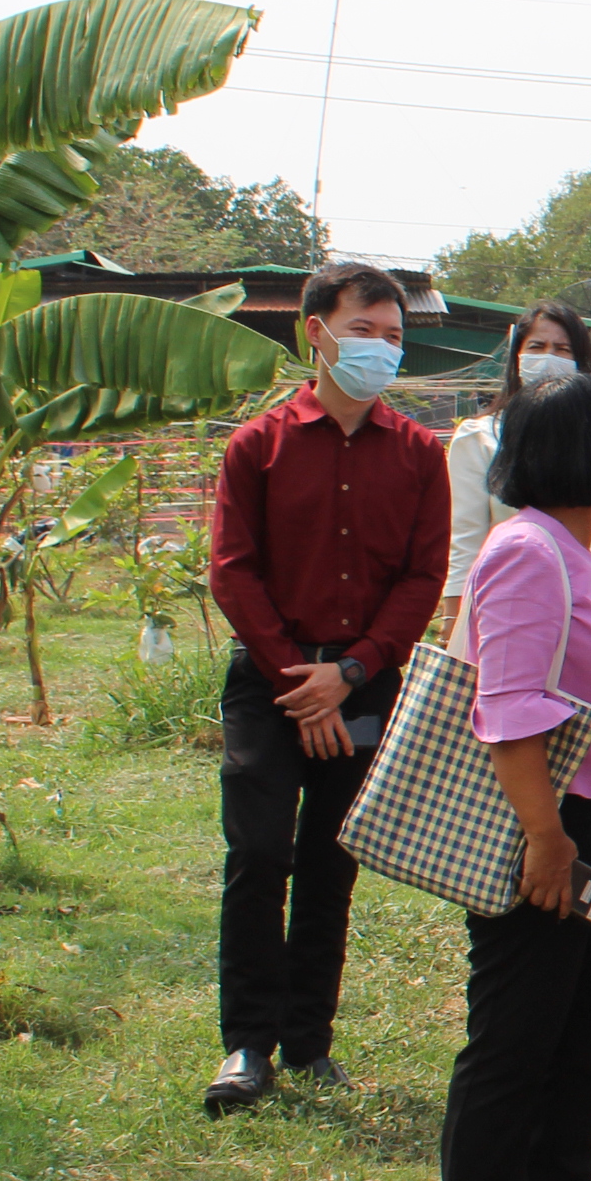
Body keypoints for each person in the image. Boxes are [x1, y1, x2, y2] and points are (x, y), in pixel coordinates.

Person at [203, 264, 451, 1115]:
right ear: (316, 330)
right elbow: (233, 571)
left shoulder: (420, 454)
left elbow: (423, 578)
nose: (382, 348)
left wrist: (347, 674)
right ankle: (246, 1044)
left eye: (394, 336)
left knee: (329, 865)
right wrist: (297, 683)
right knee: (260, 854)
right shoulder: (258, 446)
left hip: (364, 681)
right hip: (269, 683)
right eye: (365, 330)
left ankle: (309, 1042)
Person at [436, 373, 591, 1181]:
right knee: (518, 1030)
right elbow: (509, 705)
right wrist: (547, 839)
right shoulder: (525, 551)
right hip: (549, 824)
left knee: (582, 1028)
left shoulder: (576, 552)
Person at [442, 301, 591, 627]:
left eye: (562, 349)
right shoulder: (480, 437)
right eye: (537, 347)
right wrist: (452, 623)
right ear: (516, 356)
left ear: (579, 361)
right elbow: (465, 541)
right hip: (510, 613)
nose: (548, 358)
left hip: (589, 613)